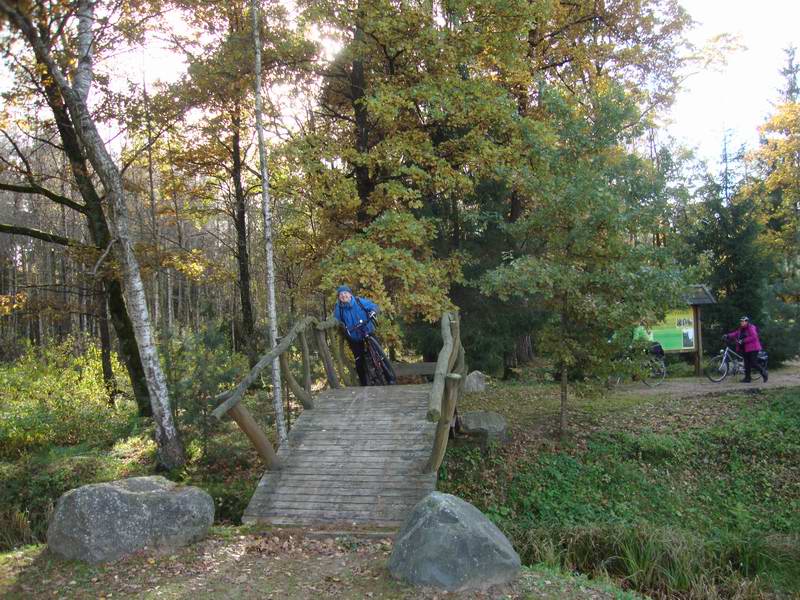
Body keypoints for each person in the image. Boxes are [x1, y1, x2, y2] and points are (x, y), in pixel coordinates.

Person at [332, 285, 395, 386]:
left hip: (367, 329)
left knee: (379, 353)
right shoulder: (339, 308)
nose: (343, 296)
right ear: (339, 297)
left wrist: (373, 311)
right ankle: (363, 383)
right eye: (341, 294)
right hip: (353, 335)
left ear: (350, 294)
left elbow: (373, 306)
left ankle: (389, 377)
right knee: (359, 359)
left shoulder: (358, 301)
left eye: (345, 293)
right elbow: (336, 321)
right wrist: (341, 326)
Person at [723, 316, 768, 383]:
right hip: (745, 348)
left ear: (747, 322)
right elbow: (736, 333)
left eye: (743, 321)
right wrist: (728, 335)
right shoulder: (741, 329)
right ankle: (747, 379)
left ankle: (764, 372)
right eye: (741, 321)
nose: (742, 322)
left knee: (753, 363)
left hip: (753, 348)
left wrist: (743, 340)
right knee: (746, 364)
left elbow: (754, 336)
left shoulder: (751, 327)